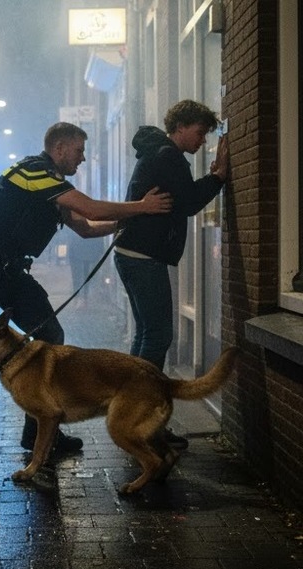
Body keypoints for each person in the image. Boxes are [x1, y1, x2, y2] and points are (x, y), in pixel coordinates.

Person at [0, 122, 173, 457]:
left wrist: (125, 223)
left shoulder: (51, 188)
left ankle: (41, 431)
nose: (82, 159)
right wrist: (142, 207)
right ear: (58, 148)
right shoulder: (34, 171)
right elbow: (90, 208)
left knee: (50, 333)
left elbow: (85, 228)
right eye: (78, 151)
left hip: (8, 270)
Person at [114, 100, 229, 448]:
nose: (202, 141)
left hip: (132, 253)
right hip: (144, 256)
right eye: (199, 132)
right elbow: (191, 202)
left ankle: (131, 413)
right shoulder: (168, 156)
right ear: (181, 127)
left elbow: (181, 199)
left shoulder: (157, 153)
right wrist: (219, 176)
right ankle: (144, 419)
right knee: (160, 334)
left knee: (147, 334)